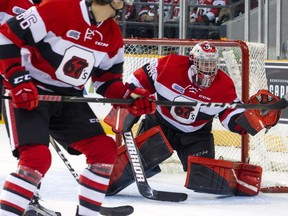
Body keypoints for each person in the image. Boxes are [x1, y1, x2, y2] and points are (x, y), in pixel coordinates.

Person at [0, 0, 156, 215]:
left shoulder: (112, 35)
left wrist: (131, 96)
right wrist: (17, 79)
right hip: (31, 93)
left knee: (103, 150)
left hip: (68, 98)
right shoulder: (58, 8)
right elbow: (6, 35)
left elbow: (106, 81)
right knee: (36, 158)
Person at [106, 41, 281, 196]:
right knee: (132, 167)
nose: (208, 69)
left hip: (196, 136)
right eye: (203, 63)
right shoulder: (169, 65)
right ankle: (101, 180)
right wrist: (131, 98)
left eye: (212, 64)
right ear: (192, 61)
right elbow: (136, 81)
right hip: (159, 126)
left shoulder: (224, 85)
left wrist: (249, 119)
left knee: (203, 178)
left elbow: (229, 116)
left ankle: (236, 179)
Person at [0, 0, 60, 215]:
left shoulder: (49, 7)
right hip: (10, 75)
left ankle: (28, 200)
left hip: (19, 82)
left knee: (30, 144)